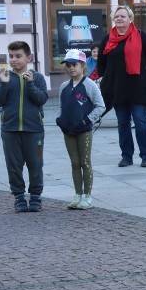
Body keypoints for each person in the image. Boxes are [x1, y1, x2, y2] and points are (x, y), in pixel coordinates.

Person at [97, 5, 146, 168]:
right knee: (123, 123)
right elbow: (101, 62)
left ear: (130, 19)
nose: (119, 19)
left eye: (122, 16)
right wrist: (104, 78)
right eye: (116, 17)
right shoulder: (108, 39)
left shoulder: (140, 35)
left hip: (138, 86)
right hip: (118, 88)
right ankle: (126, 156)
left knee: (140, 122)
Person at [0, 41, 48, 212]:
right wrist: (3, 84)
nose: (14, 60)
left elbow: (41, 99)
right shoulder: (4, 76)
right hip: (10, 129)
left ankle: (36, 197)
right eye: (11, 56)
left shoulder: (37, 77)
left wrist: (30, 84)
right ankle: (18, 196)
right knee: (14, 165)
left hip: (34, 130)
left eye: (18, 56)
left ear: (28, 58)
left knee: (35, 163)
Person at [55, 49, 105, 210]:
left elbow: (100, 106)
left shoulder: (89, 85)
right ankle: (77, 194)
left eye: (74, 65)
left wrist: (87, 120)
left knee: (85, 162)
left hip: (84, 130)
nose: (71, 68)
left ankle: (87, 196)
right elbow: (61, 106)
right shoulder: (64, 86)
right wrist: (60, 119)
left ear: (82, 66)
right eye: (68, 65)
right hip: (68, 129)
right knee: (74, 163)